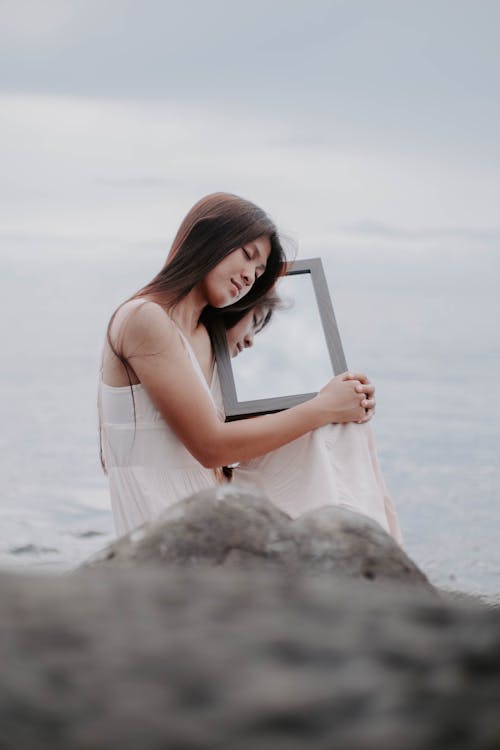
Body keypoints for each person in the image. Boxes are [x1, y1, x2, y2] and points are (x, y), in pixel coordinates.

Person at [99, 192, 397, 541]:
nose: (250, 277)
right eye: (248, 255)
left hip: (211, 511)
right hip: (168, 531)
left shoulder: (205, 336)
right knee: (321, 418)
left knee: (340, 427)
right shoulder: (144, 318)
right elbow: (211, 447)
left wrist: (345, 402)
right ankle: (358, 556)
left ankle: (362, 551)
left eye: (259, 273)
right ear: (207, 239)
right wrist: (323, 407)